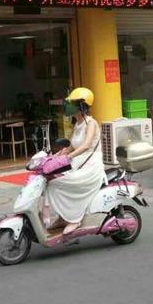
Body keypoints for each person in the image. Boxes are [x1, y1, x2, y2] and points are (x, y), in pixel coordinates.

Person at [45, 87, 106, 235]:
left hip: (91, 167)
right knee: (51, 183)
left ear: (82, 106)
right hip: (78, 164)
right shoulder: (77, 124)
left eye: (73, 103)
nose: (69, 106)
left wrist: (68, 157)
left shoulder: (91, 123)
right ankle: (63, 217)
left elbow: (86, 145)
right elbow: (70, 146)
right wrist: (54, 156)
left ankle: (75, 219)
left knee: (61, 185)